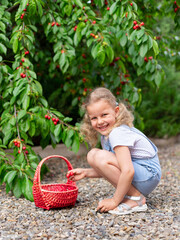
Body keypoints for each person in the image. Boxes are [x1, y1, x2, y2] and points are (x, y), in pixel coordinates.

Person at [67, 87, 161, 215]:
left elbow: (128, 170)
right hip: (144, 176)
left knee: (97, 155)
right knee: (93, 155)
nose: (100, 121)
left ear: (116, 111)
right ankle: (133, 195)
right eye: (94, 118)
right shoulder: (107, 135)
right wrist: (86, 172)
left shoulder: (118, 133)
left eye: (104, 115)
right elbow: (113, 167)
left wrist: (114, 201)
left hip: (148, 174)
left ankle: (135, 199)